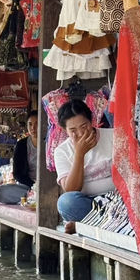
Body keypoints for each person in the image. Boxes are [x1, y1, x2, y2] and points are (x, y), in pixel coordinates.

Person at [53, 99, 114, 231]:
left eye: (84, 126)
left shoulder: (113, 136)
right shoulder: (61, 151)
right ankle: (106, 223)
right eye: (73, 130)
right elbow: (71, 189)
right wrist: (79, 154)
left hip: (118, 199)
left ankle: (87, 226)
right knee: (66, 202)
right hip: (89, 204)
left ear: (91, 121)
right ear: (65, 130)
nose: (80, 134)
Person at [0, 111, 39, 205]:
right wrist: (34, 186)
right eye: (30, 124)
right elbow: (17, 174)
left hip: (48, 186)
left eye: (37, 123)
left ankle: (34, 198)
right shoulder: (22, 144)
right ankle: (33, 197)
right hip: (29, 186)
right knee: (2, 192)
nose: (33, 128)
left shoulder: (50, 143)